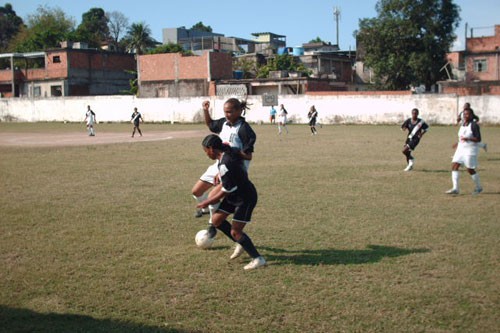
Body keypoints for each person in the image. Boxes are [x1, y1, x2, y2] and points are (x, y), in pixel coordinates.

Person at [196, 134, 266, 270]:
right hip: (235, 195)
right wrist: (220, 174)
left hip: (245, 198)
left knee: (235, 231)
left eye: (205, 151)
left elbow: (225, 191)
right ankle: (240, 242)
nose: (206, 154)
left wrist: (206, 202)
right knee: (216, 220)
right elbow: (234, 162)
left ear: (211, 149)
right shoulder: (228, 150)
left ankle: (258, 259)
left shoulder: (225, 163)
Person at [191, 98, 256, 240]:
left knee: (213, 197)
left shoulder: (245, 129)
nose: (227, 114)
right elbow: (210, 125)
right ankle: (209, 212)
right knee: (196, 191)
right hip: (219, 163)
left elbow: (248, 156)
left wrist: (230, 150)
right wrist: (205, 110)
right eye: (225, 112)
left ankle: (212, 226)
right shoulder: (224, 123)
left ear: (239, 111)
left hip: (233, 168)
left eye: (230, 112)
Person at [446, 108, 483, 195]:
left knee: (470, 169)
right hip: (461, 149)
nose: (466, 116)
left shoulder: (474, 125)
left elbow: (478, 139)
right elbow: (462, 137)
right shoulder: (463, 124)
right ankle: (455, 188)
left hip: (470, 150)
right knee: (454, 165)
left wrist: (468, 138)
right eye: (464, 114)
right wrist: (457, 143)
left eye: (468, 114)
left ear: (471, 115)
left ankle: (479, 187)